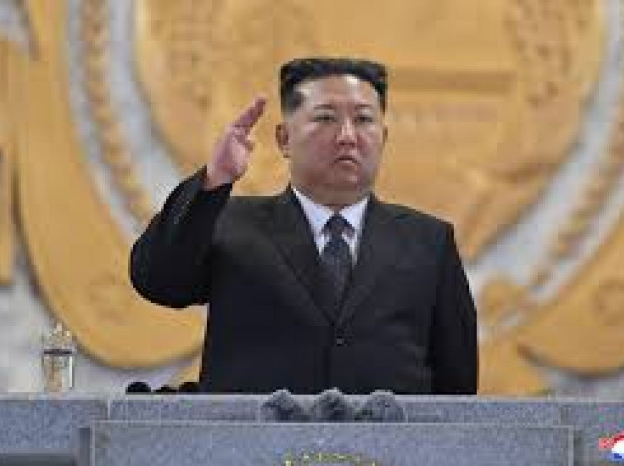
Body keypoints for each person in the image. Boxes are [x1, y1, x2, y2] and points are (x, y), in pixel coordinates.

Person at [130, 57, 478, 394]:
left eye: (363, 119)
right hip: (255, 435)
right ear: (284, 139)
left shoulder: (429, 241)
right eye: (326, 118)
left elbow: (456, 386)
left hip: (388, 437)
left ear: (383, 137)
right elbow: (158, 281)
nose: (347, 136)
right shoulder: (228, 223)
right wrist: (213, 181)